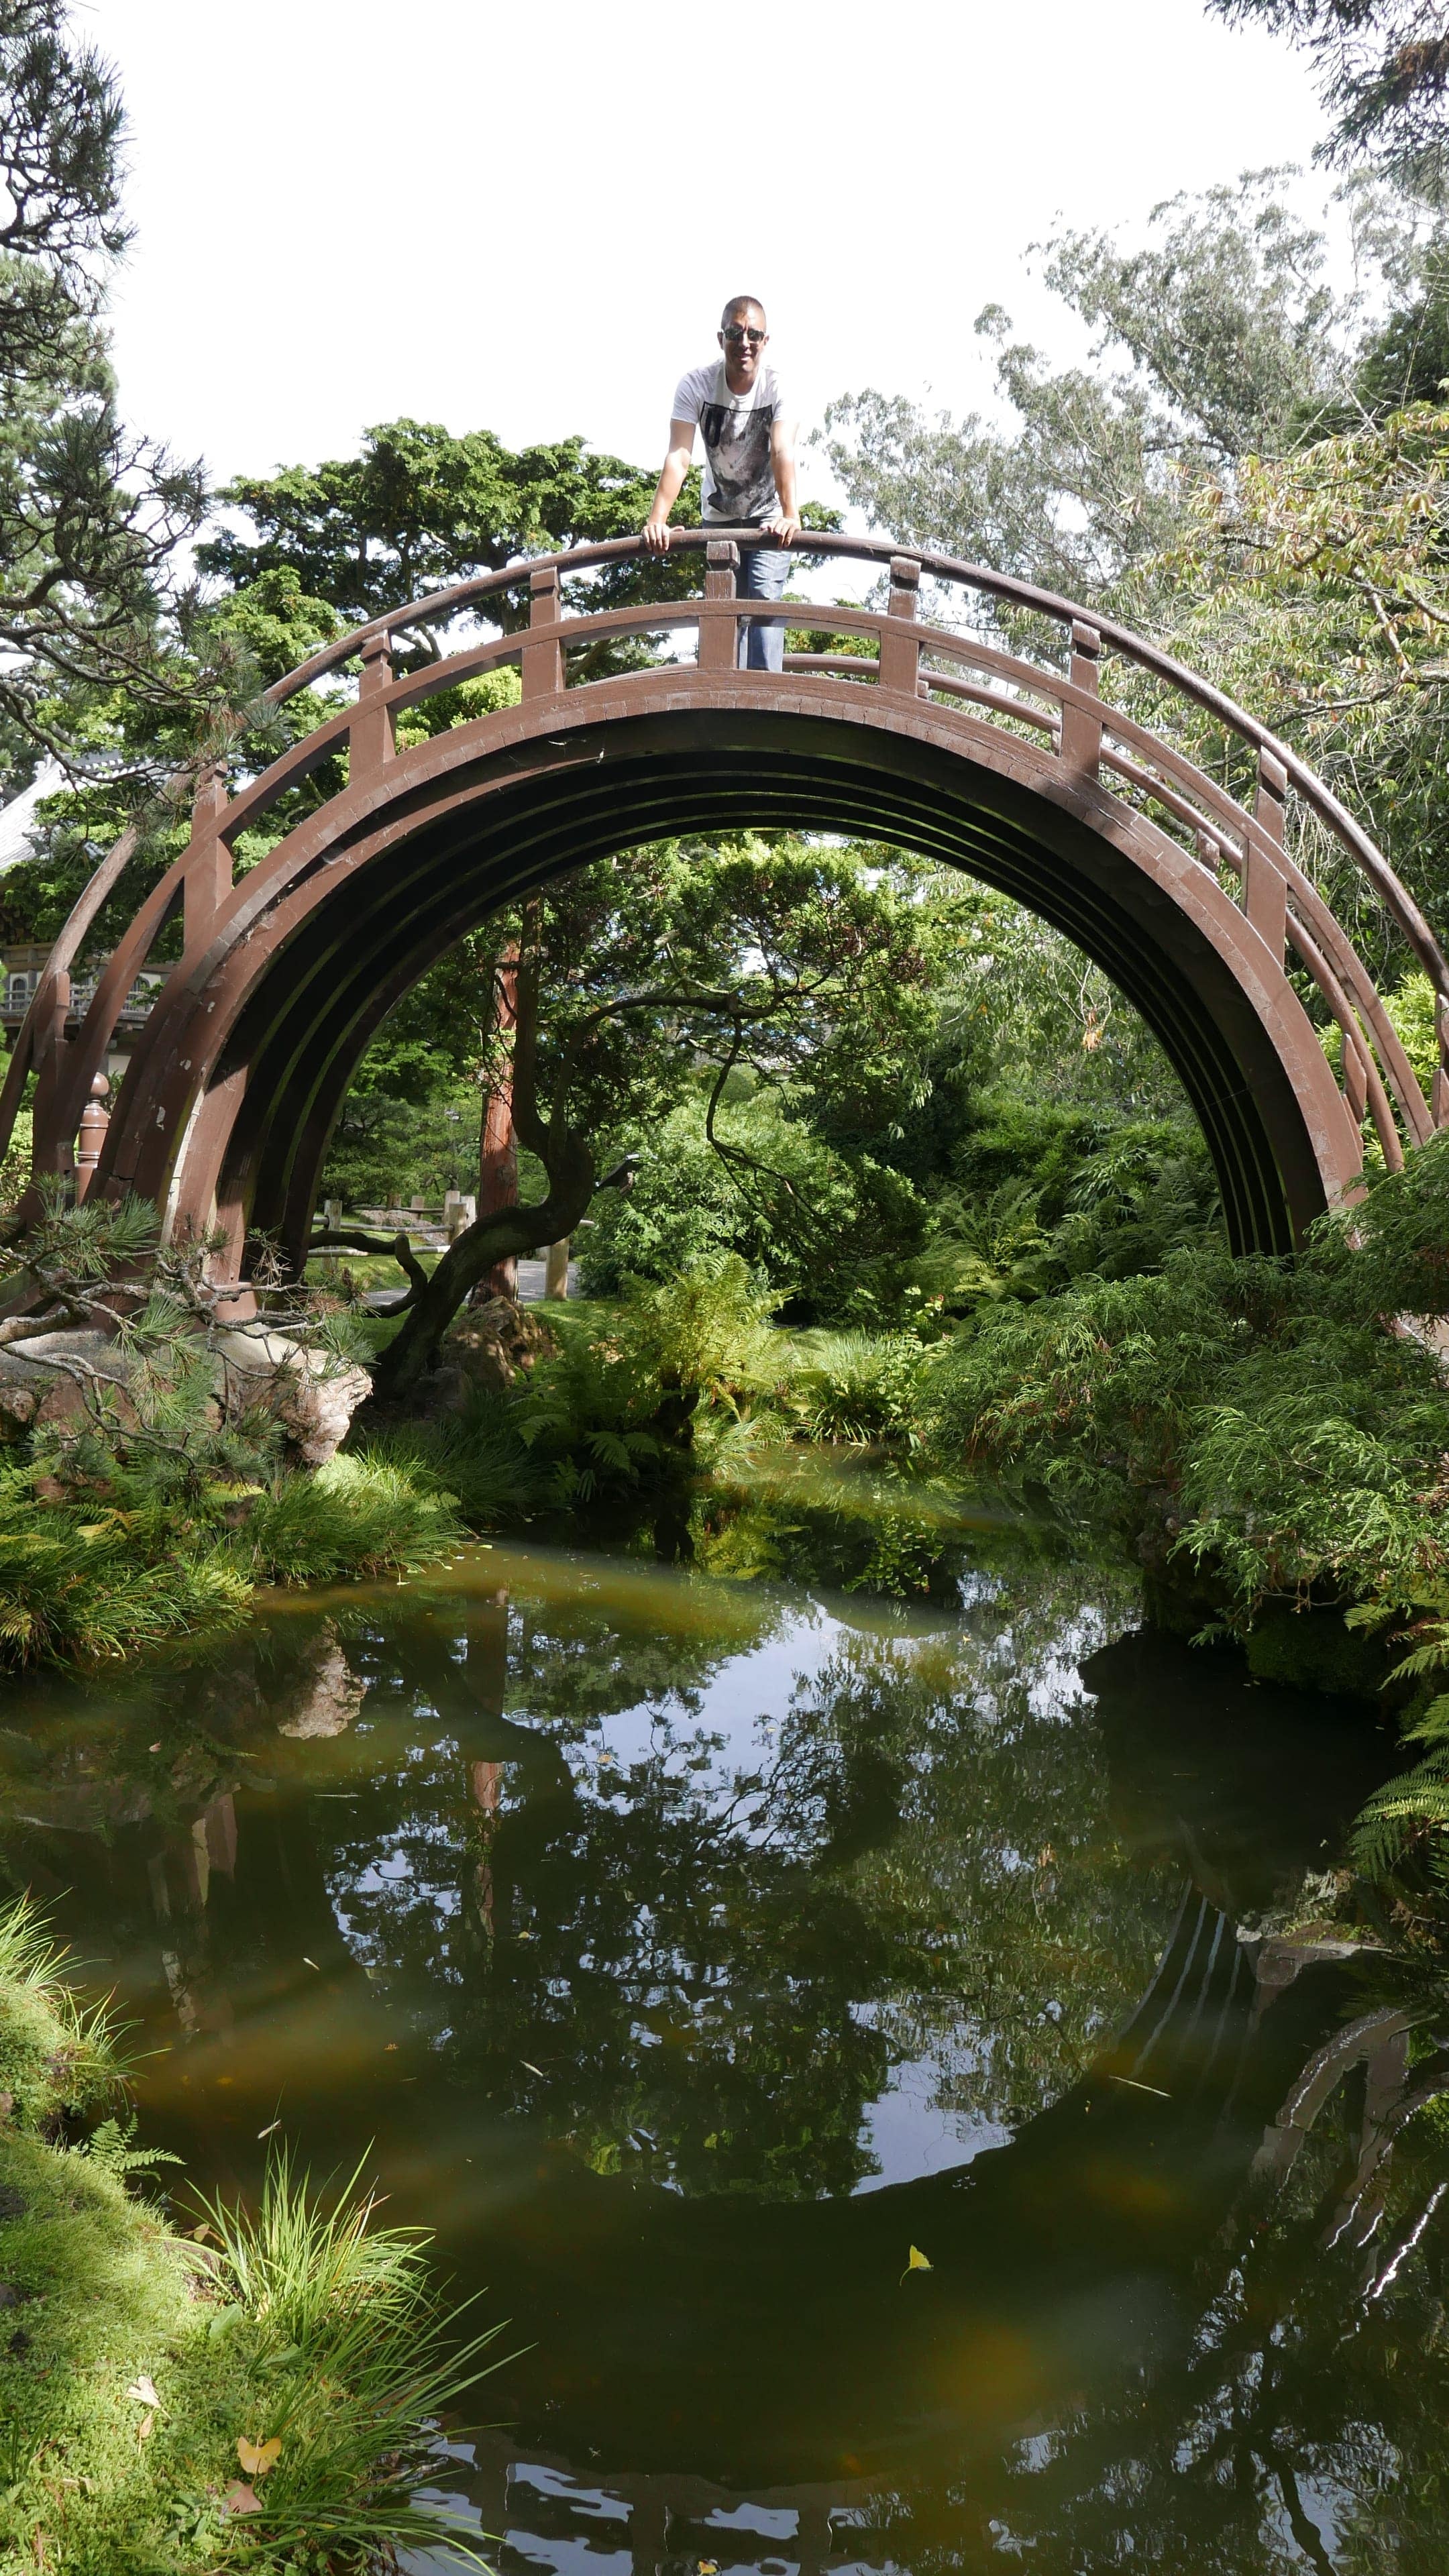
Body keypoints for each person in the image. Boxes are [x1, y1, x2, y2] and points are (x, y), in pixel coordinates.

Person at [641, 295, 800, 672]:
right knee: (724, 610)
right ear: (721, 338)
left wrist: (792, 515)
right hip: (720, 515)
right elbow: (680, 455)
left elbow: (782, 449)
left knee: (764, 599)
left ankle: (765, 703)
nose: (744, 343)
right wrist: (657, 520)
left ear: (765, 341)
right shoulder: (697, 385)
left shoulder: (778, 387)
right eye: (735, 333)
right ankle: (727, 704)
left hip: (768, 516)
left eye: (754, 335)